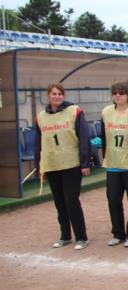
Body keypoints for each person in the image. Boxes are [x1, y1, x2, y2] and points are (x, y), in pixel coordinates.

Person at [35, 83, 91, 250]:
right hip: (51, 165)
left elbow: (84, 137)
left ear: (64, 96)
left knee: (71, 200)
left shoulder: (75, 111)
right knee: (59, 202)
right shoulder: (40, 117)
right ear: (48, 95)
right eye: (54, 93)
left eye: (60, 93)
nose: (57, 96)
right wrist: (40, 166)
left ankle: (81, 237)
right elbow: (38, 144)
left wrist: (85, 162)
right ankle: (65, 236)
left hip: (71, 164)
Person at [101, 82, 128, 248]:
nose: (118, 96)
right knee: (113, 200)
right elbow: (104, 138)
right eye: (115, 93)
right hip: (113, 163)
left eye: (122, 93)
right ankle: (118, 233)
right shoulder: (106, 112)